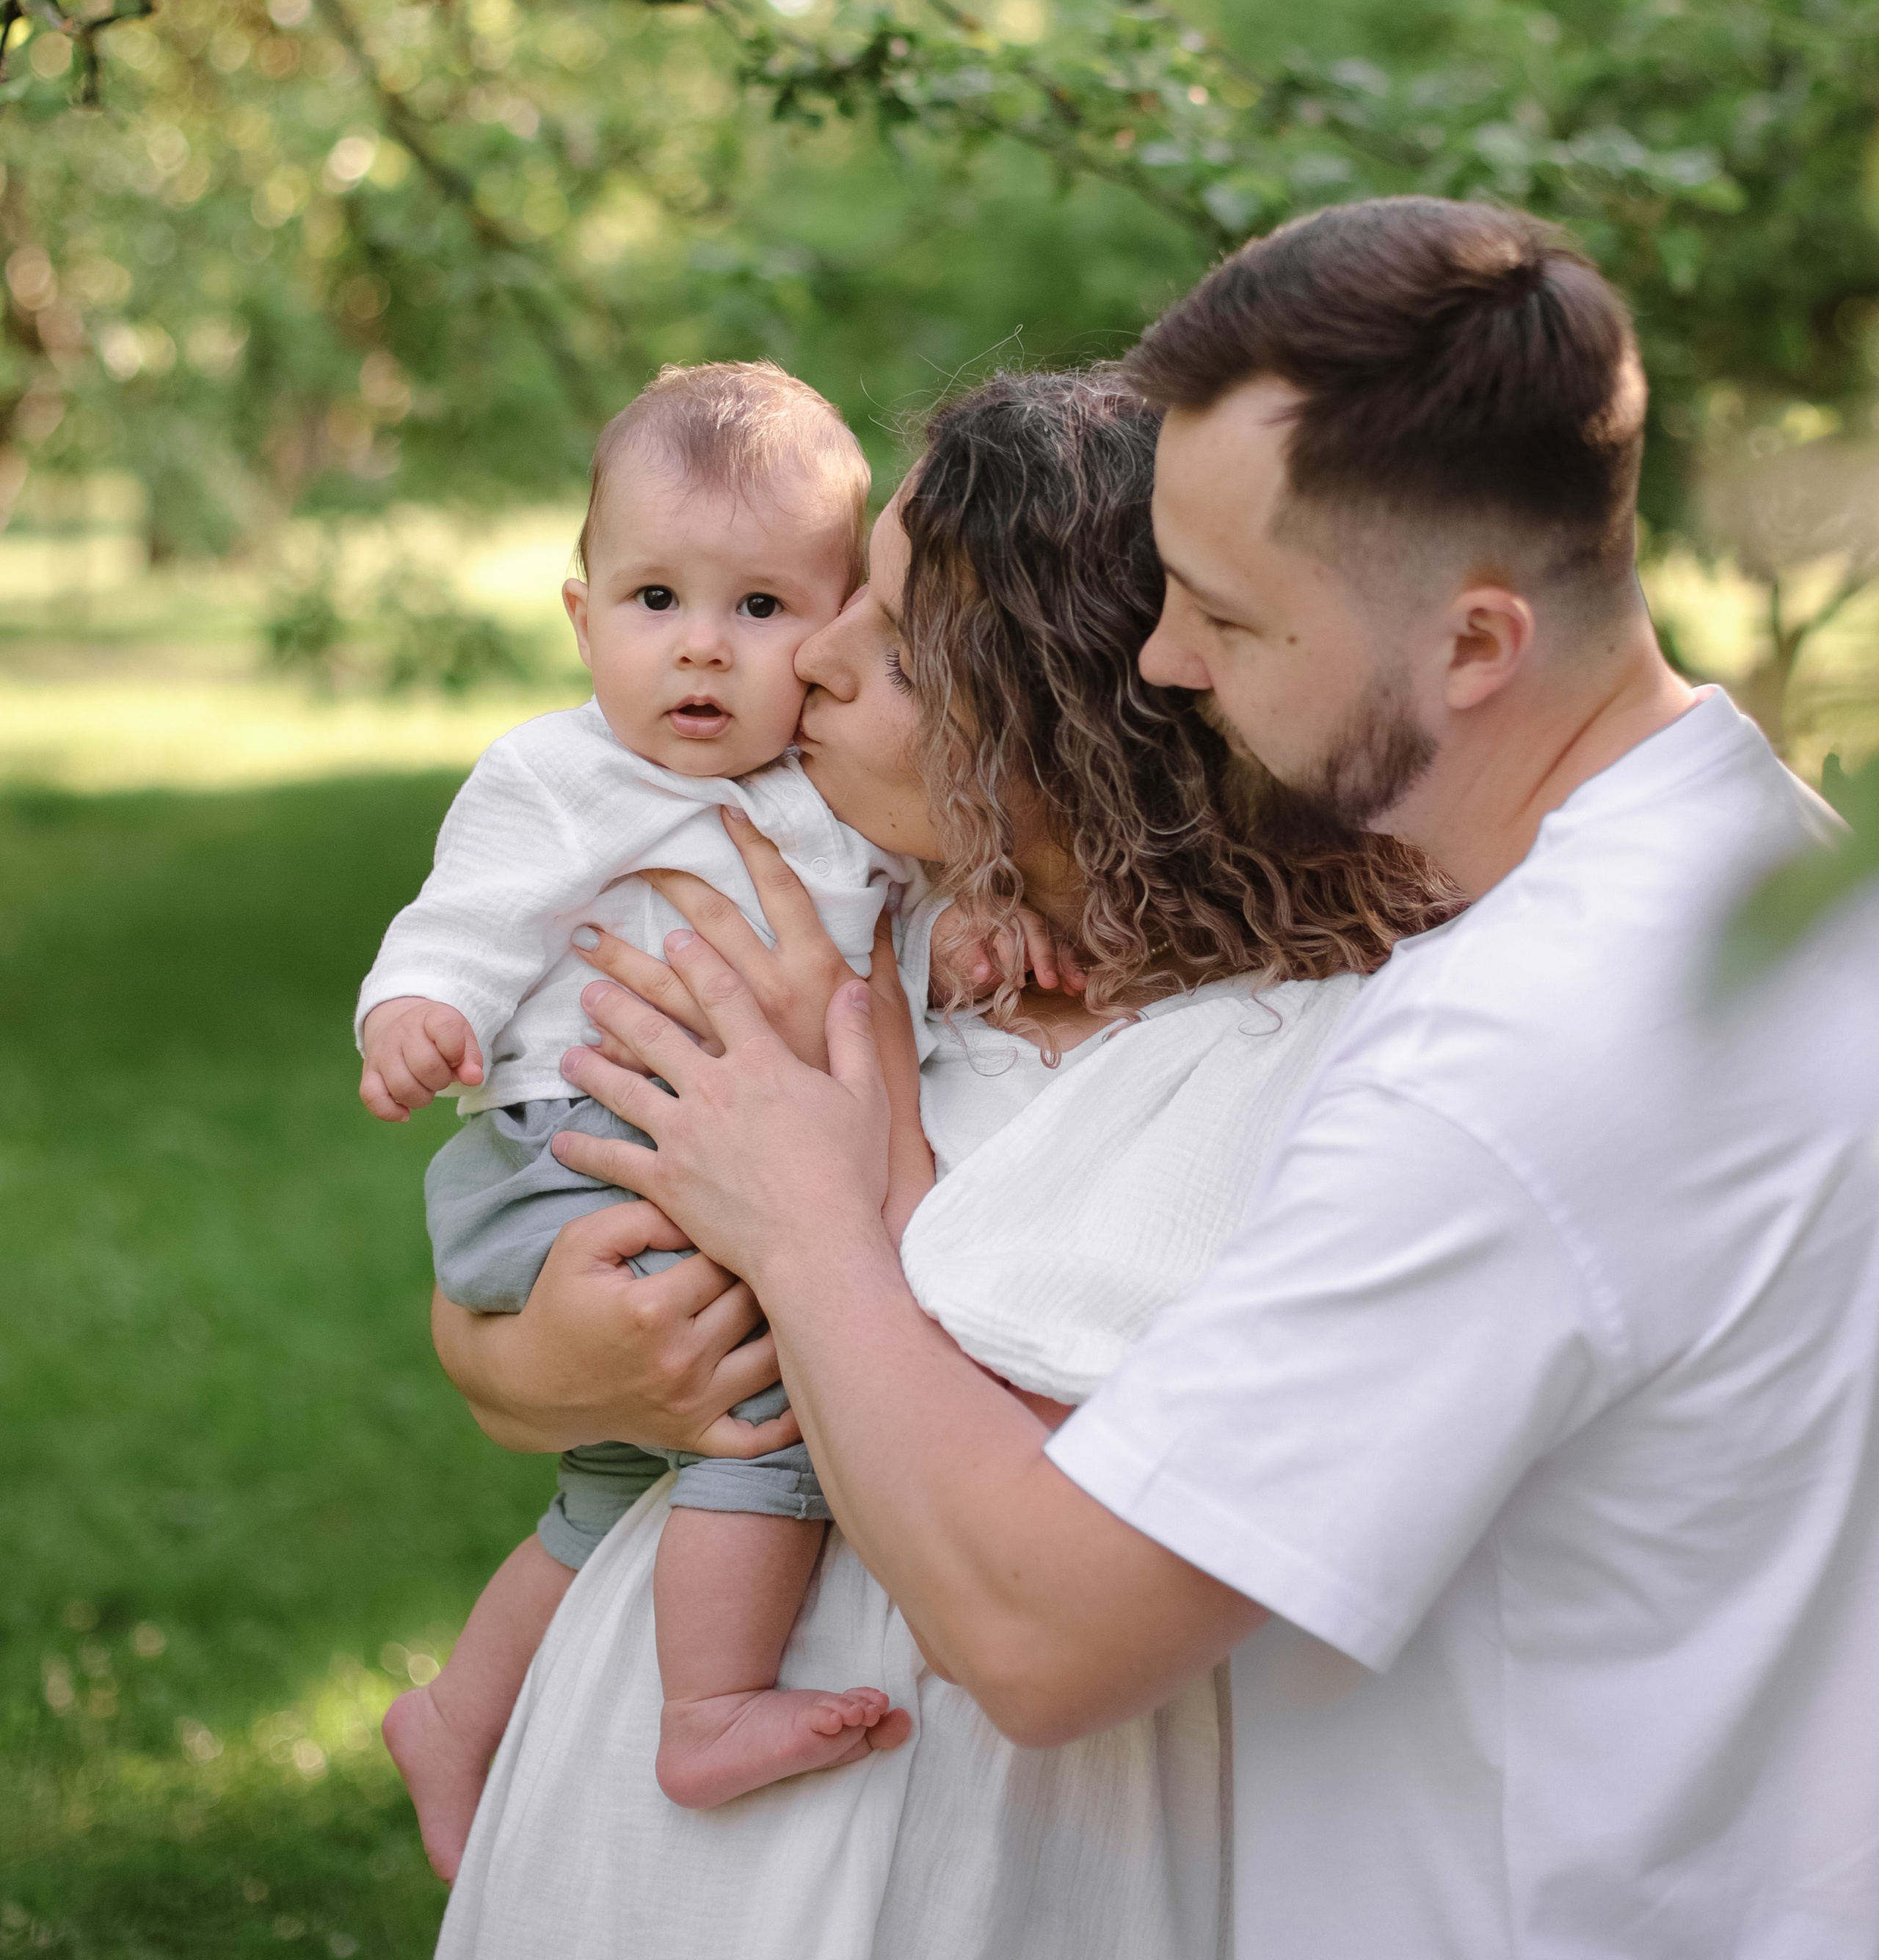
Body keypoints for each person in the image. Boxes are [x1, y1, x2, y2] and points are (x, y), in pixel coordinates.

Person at [565, 198, 1879, 1959]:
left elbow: (1038, 1637)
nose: (1164, 666)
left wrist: (805, 1218)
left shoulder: (1496, 1063)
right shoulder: (1768, 874)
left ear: (1474, 645)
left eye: (1226, 616)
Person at [432, 367, 1448, 1960]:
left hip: (1003, 1855)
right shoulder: (864, 915)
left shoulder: (1280, 1061)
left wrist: (850, 1168)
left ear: (1073, 736)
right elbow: (527, 1298)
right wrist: (540, 1362)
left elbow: (1032, 1522)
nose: (807, 656)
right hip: (636, 1814)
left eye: (892, 646)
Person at [355, 360, 940, 1865]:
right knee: (774, 1412)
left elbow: (908, 916)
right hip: (564, 1158)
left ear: (836, 630)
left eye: (760, 610)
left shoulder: (827, 786)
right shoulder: (557, 777)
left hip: (680, 1157)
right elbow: (455, 926)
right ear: (580, 614)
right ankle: (708, 1709)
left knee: (615, 1481)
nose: (701, 651)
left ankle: (457, 1713)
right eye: (655, 601)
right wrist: (416, 1015)